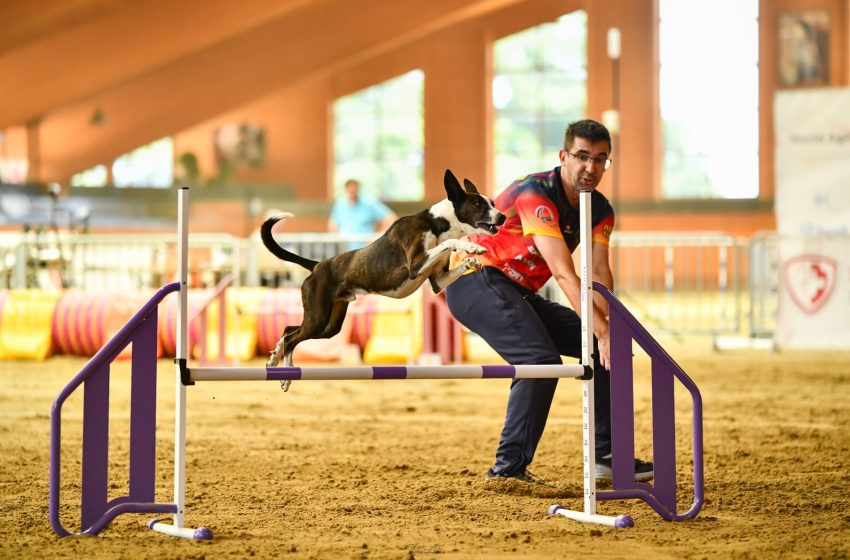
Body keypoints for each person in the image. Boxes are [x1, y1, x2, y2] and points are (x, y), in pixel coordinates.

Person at [445, 119, 653, 484]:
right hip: (474, 278)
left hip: (517, 290)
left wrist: (604, 331)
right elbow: (563, 272)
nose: (592, 167)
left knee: (610, 343)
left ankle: (607, 456)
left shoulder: (600, 208)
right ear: (564, 156)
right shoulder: (535, 192)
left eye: (601, 159)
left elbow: (600, 273)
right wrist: (600, 328)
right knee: (539, 360)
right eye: (583, 157)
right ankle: (507, 470)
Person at [328, 179, 397, 237]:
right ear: (346, 190)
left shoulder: (369, 203)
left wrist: (378, 236)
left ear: (358, 189)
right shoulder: (340, 204)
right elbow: (332, 225)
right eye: (350, 190)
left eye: (354, 190)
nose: (352, 192)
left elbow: (391, 218)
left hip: (365, 249)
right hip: (345, 248)